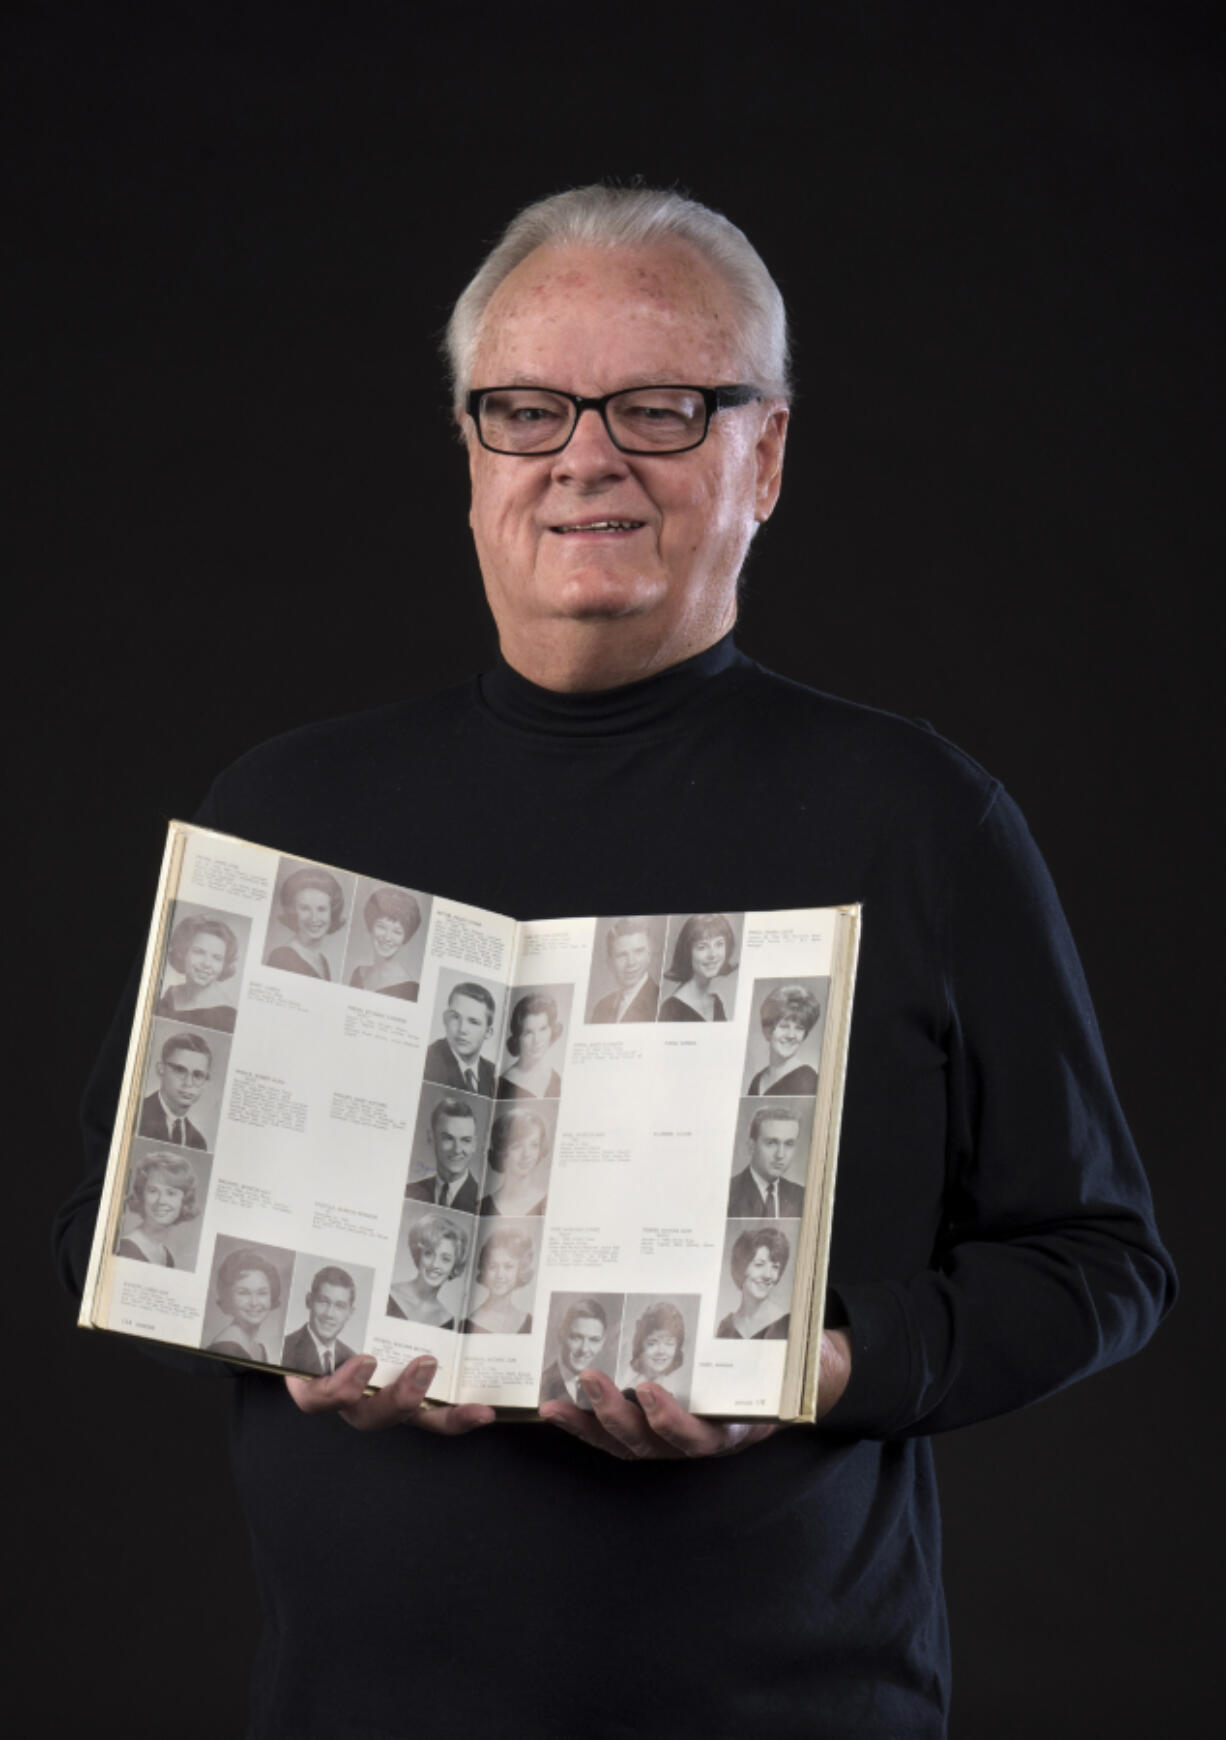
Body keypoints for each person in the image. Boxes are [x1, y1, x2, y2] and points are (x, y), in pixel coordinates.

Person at [58, 184, 1176, 1738]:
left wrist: (826, 1365)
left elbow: (1098, 1261)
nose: (586, 456)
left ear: (762, 456)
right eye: (526, 410)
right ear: (471, 457)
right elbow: (111, 1230)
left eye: (659, 407)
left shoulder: (914, 818)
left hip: (786, 1712)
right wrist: (268, 1324)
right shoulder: (286, 812)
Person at [155, 913, 241, 1031]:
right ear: (182, 952)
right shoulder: (171, 994)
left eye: (217, 958)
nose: (207, 964)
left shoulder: (228, 1016)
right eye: (199, 952)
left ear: (224, 965)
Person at [114, 1150, 199, 1266]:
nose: (161, 1201)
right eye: (153, 1191)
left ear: (184, 1201)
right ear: (141, 1195)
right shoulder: (126, 1250)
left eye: (171, 1193)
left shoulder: (166, 1255)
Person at [386, 1213, 469, 1328]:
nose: (435, 1264)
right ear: (419, 1255)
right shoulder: (389, 1295)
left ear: (454, 1266)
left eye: (445, 1259)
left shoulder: (447, 1320)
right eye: (429, 1254)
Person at [265, 866, 346, 980]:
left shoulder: (322, 961)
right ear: (293, 911)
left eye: (321, 909)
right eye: (305, 908)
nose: (314, 918)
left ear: (332, 912)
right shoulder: (281, 958)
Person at [403, 1096, 481, 1213]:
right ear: (431, 1137)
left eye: (465, 1140)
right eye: (448, 1138)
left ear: (474, 1144)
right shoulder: (409, 1192)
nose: (457, 1150)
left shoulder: (483, 1201)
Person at [727, 1104, 805, 1218]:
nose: (780, 1155)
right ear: (751, 1146)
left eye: (789, 1144)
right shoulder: (729, 1193)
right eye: (771, 1143)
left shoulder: (802, 1195)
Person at [137, 1031, 212, 1150]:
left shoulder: (199, 1143)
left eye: (198, 1075)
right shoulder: (136, 1115)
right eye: (180, 1070)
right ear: (160, 1069)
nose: (188, 1083)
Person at [657, 912, 737, 1022]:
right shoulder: (672, 1010)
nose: (713, 954)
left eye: (719, 944)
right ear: (687, 952)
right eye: (702, 947)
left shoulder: (716, 1002)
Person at [716, 1225, 792, 1341]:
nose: (767, 1275)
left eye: (775, 1267)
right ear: (742, 1267)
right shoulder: (725, 1327)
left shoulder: (787, 1323)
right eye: (759, 1264)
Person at [746, 982, 822, 1096]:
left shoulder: (808, 1080)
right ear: (768, 1030)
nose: (791, 1035)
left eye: (799, 1028)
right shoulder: (757, 1080)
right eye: (784, 1026)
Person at [348, 885, 422, 1001]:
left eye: (397, 931)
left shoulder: (411, 990)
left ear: (405, 937)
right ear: (371, 926)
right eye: (381, 926)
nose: (387, 937)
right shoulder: (358, 974)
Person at [207, 1248, 282, 1362]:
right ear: (228, 1297)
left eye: (262, 1293)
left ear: (272, 1296)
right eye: (244, 1293)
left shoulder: (259, 1348)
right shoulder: (225, 1349)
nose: (254, 1302)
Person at [281, 1266, 359, 1376]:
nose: (329, 1314)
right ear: (309, 1300)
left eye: (340, 1306)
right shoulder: (284, 1350)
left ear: (350, 1313)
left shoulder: (352, 1360)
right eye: (323, 1302)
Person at [422, 982, 497, 1094]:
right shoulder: (425, 1062)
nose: (462, 1029)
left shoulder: (494, 1073)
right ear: (445, 1019)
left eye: (473, 1022)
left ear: (488, 1032)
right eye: (455, 1017)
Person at [460, 1226, 535, 1334]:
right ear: (484, 1269)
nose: (500, 1275)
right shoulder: (469, 1324)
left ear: (520, 1269)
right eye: (493, 1266)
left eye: (508, 1266)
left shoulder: (528, 1321)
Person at [478, 1107, 551, 1217]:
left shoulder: (549, 1204)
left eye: (534, 1145)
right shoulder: (482, 1207)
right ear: (501, 1150)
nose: (527, 1154)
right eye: (517, 1146)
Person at [539, 1298, 610, 1407]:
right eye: (576, 1337)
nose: (584, 1349)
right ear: (561, 1334)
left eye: (594, 1340)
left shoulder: (602, 1390)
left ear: (602, 1343)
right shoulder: (540, 1385)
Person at [589, 917, 659, 1022]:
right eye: (622, 955)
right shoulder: (601, 1007)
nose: (631, 963)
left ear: (649, 955)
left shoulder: (660, 1002)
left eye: (638, 952)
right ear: (610, 962)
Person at [497, 991, 564, 1097]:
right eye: (528, 1033)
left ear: (552, 1030)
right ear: (518, 1038)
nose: (537, 1040)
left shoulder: (557, 1079)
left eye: (543, 1029)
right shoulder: (503, 1085)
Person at [621, 1301, 688, 1399]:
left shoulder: (674, 1389)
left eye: (669, 1343)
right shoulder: (630, 1391)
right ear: (641, 1346)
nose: (661, 1351)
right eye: (652, 1343)